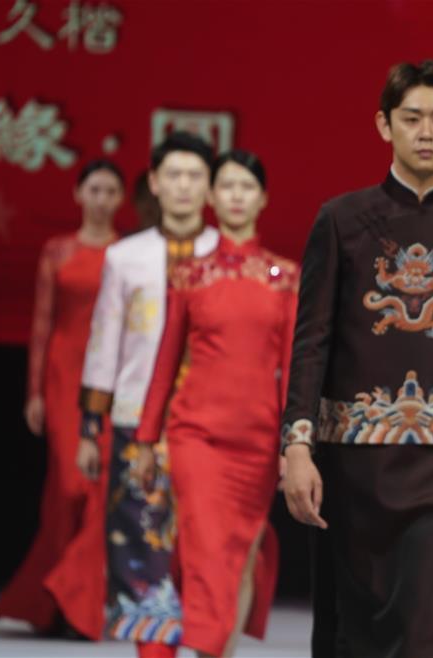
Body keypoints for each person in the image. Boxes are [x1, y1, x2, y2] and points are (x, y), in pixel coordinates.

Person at [281, 60, 433, 657]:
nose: (426, 132)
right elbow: (311, 340)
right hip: (356, 469)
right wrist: (297, 446)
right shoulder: (341, 220)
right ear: (383, 124)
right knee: (359, 632)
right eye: (412, 118)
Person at [132, 150, 298, 658]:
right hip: (196, 436)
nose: (236, 196)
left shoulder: (285, 278)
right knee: (206, 551)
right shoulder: (188, 275)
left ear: (263, 198)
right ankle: (204, 645)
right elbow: (165, 362)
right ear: (211, 196)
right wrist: (146, 438)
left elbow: (291, 372)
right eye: (226, 186)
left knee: (241, 556)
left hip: (258, 443)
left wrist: (293, 445)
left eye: (247, 187)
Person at [62, 132, 220, 657]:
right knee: (140, 545)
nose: (183, 186)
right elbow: (104, 341)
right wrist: (91, 428)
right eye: (173, 175)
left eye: (194, 175)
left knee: (204, 545)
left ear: (210, 186)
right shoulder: (125, 256)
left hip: (208, 420)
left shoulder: (225, 255)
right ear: (154, 182)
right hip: (135, 419)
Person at [0, 159, 123, 634]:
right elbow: (42, 323)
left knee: (102, 489)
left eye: (110, 191)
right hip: (65, 375)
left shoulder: (126, 253)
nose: (102, 199)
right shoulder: (58, 250)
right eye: (94, 189)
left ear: (120, 199)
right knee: (67, 489)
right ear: (78, 194)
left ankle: (74, 603)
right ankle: (53, 600)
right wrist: (35, 392)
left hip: (110, 380)